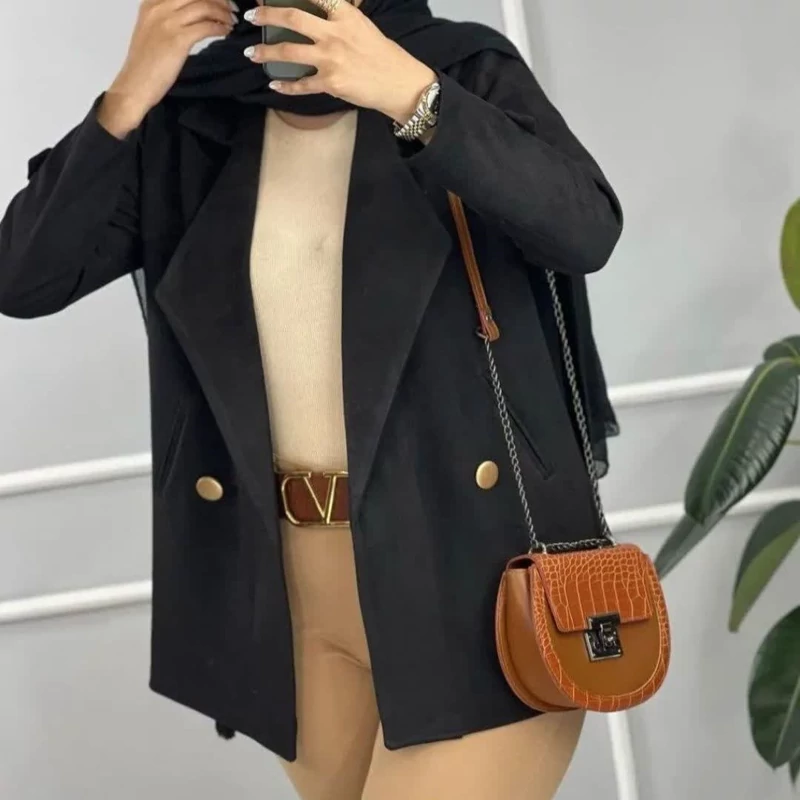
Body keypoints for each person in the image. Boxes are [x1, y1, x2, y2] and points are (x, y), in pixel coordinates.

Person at [0, 0, 623, 797]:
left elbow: (585, 230)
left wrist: (413, 97)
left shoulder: (460, 71)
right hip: (290, 588)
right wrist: (128, 95)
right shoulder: (199, 112)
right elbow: (24, 278)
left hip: (469, 574)